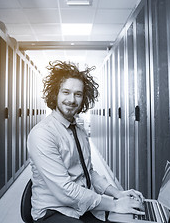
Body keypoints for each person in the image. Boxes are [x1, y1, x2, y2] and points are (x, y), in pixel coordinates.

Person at [27, 60, 145, 222]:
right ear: (55, 94)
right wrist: (115, 205)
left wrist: (117, 194)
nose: (72, 100)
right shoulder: (42, 134)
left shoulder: (79, 130)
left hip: (81, 205)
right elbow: (65, 191)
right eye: (66, 92)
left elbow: (87, 172)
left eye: (78, 94)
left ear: (84, 98)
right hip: (54, 211)